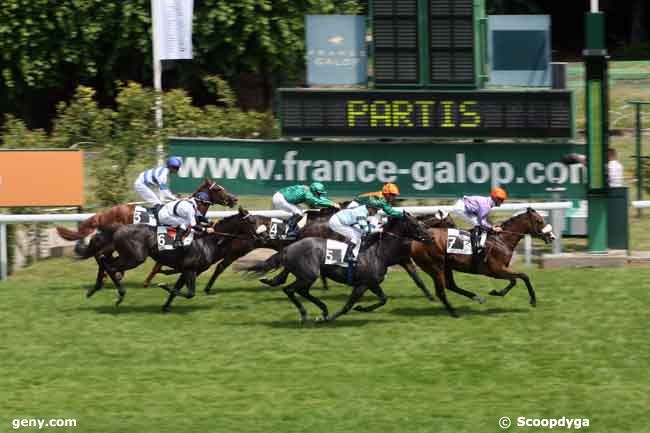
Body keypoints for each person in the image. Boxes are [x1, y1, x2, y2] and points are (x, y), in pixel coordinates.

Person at [450, 187, 507, 266]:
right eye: (500, 199)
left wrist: (490, 227)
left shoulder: (488, 203)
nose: (502, 202)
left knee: (480, 224)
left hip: (464, 206)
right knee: (477, 224)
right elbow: (482, 222)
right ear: (495, 198)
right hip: (460, 208)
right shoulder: (486, 206)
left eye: (503, 199)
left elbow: (483, 221)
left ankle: (477, 245)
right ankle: (475, 249)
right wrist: (492, 228)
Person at [272, 182, 339, 236]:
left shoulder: (309, 191)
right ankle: (289, 231)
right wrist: (332, 204)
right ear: (314, 190)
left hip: (282, 197)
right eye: (319, 193)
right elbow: (316, 201)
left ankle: (291, 228)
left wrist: (331, 202)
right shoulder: (307, 194)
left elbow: (318, 200)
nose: (320, 195)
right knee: (298, 213)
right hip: (280, 199)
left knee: (300, 212)